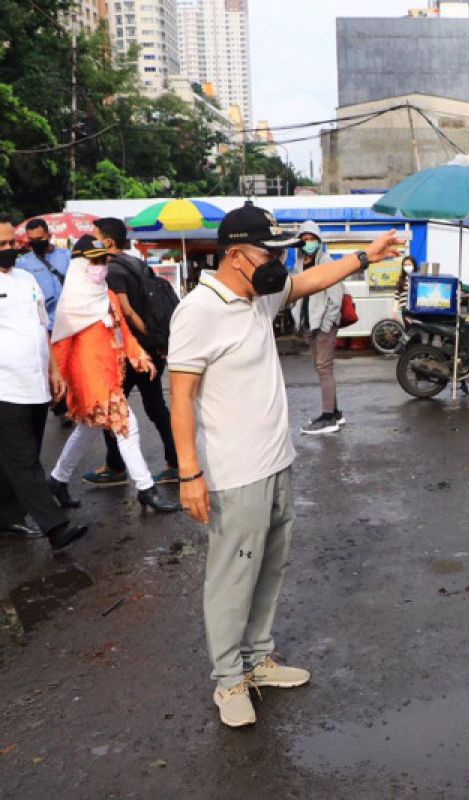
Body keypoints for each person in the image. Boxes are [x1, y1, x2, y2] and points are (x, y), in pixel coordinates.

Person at [168, 202, 402, 728]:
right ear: (234, 255)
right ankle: (228, 680)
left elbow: (312, 278)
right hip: (235, 471)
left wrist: (365, 255)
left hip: (277, 462)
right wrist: (190, 473)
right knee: (232, 577)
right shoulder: (198, 311)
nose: (277, 261)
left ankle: (257, 660)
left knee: (269, 568)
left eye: (279, 251)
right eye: (266, 252)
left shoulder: (259, 294)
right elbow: (180, 397)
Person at [45, 236, 180, 514]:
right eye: (95, 261)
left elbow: (123, 330)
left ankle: (57, 480)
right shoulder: (71, 303)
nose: (102, 266)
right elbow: (59, 347)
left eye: (104, 260)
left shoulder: (106, 295)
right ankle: (146, 489)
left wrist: (139, 356)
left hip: (111, 374)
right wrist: (58, 380)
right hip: (89, 381)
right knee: (127, 426)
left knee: (86, 430)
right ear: (81, 264)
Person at [0, 218, 88, 550]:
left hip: (35, 384)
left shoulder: (26, 278)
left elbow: (42, 329)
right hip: (5, 388)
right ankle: (56, 527)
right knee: (24, 460)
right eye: (2, 245)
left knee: (16, 457)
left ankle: (6, 516)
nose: (10, 249)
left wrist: (55, 371)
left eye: (12, 243)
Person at [81, 218, 179, 487]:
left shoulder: (112, 270)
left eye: (96, 236)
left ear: (108, 242)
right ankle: (175, 462)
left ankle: (115, 466)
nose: (92, 241)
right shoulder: (136, 262)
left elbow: (126, 311)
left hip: (131, 352)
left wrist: (144, 339)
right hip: (150, 350)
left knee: (113, 408)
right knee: (156, 407)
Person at [290, 221, 346, 435]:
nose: (308, 243)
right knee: (323, 368)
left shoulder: (326, 262)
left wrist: (325, 325)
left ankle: (328, 417)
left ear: (319, 241)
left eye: (311, 239)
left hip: (323, 326)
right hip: (308, 324)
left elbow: (335, 298)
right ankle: (335, 412)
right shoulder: (300, 263)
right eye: (303, 240)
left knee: (323, 368)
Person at [16, 218, 68, 331]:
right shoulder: (23, 263)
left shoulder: (66, 256)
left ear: (49, 235)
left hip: (68, 323)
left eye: (40, 239)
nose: (36, 243)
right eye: (32, 240)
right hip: (44, 326)